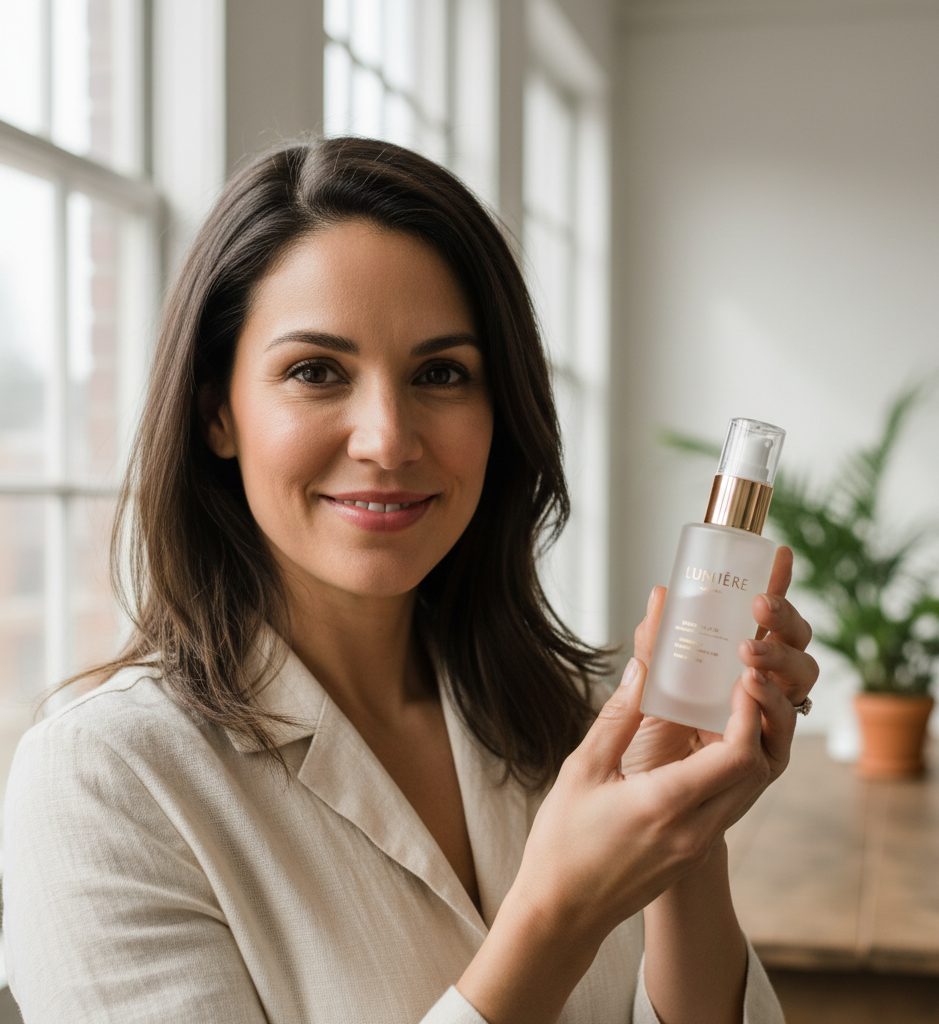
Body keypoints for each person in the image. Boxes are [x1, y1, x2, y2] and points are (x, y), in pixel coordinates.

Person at [2, 137, 817, 1024]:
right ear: (217, 414)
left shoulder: (582, 716)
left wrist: (684, 846)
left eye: (441, 374)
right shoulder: (104, 776)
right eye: (316, 372)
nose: (388, 439)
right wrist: (553, 920)